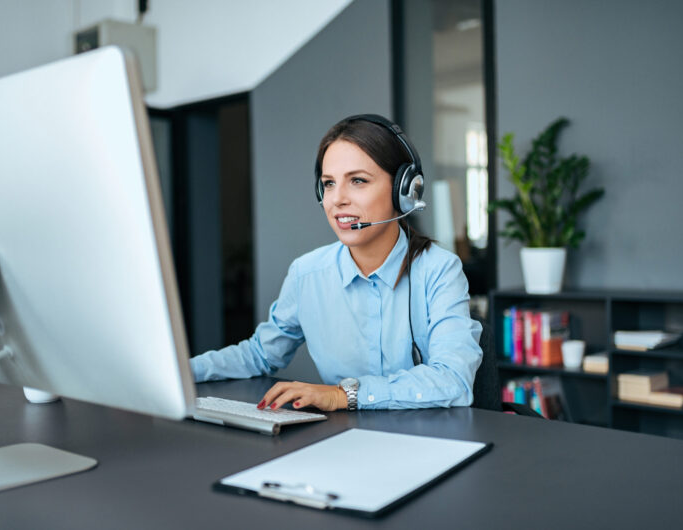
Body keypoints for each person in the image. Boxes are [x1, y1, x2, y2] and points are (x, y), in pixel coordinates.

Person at [189, 114, 483, 411]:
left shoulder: (439, 270)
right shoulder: (307, 274)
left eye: (357, 181)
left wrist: (343, 395)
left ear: (404, 191)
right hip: (341, 442)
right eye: (329, 184)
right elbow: (259, 355)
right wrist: (181, 370)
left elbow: (454, 380)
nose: (337, 199)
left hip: (430, 442)